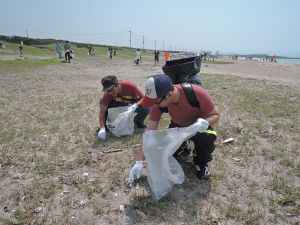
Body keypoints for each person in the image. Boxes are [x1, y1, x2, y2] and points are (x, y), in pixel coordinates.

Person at [128, 74, 220, 182]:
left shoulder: (196, 92)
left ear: (169, 95)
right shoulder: (158, 102)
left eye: (155, 101)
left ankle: (201, 163)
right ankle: (184, 145)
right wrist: (139, 162)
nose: (153, 105)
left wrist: (205, 122)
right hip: (178, 127)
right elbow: (149, 133)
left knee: (207, 138)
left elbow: (215, 115)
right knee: (167, 154)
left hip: (198, 127)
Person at [98, 75, 150, 141]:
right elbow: (102, 111)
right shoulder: (107, 94)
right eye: (107, 90)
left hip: (131, 104)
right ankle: (107, 126)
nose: (110, 92)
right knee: (102, 101)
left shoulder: (130, 87)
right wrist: (102, 128)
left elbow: (143, 98)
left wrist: (135, 105)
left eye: (111, 89)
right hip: (118, 104)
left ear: (117, 84)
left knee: (146, 108)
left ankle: (138, 122)